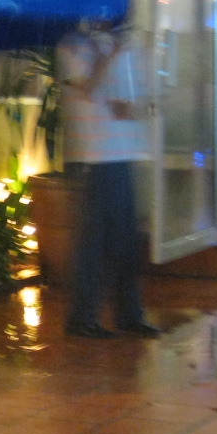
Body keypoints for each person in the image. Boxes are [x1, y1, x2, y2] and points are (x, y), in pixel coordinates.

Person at [58, 19, 159, 340]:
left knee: (126, 241)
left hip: (124, 152)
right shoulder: (73, 45)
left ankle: (129, 314)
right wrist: (110, 53)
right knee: (94, 242)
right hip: (98, 156)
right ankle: (83, 317)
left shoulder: (124, 44)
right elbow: (86, 87)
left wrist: (135, 108)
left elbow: (145, 96)